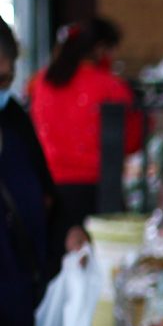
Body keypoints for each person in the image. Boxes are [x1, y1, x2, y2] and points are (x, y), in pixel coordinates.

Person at [0, 20, 85, 326]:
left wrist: (68, 231)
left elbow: (46, 195)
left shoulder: (16, 122)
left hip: (25, 309)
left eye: (5, 79)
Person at [28, 18, 143, 231]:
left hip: (51, 191)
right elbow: (132, 141)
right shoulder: (112, 87)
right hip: (99, 194)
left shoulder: (41, 82)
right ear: (100, 49)